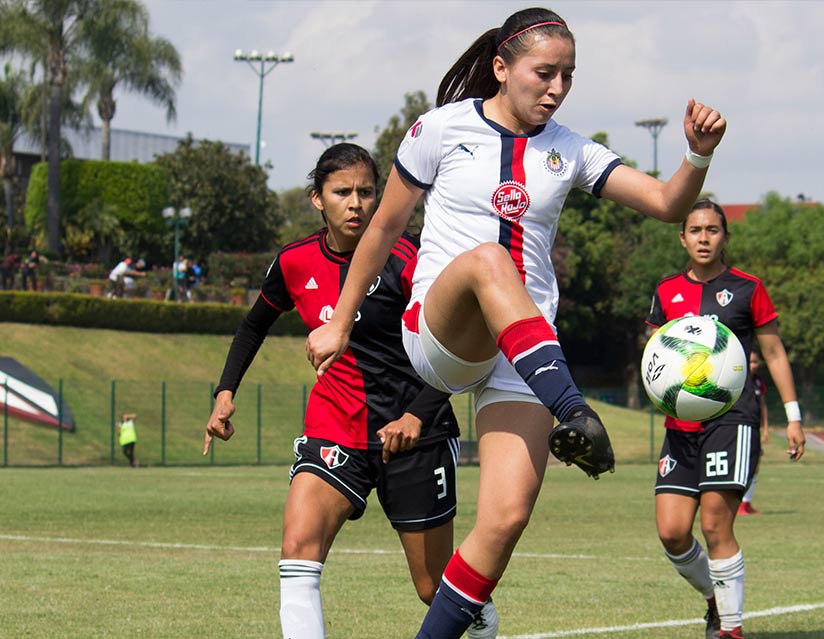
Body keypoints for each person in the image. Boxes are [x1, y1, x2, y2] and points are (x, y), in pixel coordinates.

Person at [305, 8, 727, 638]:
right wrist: (340, 321)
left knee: (503, 519)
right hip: (440, 331)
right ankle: (576, 410)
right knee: (487, 260)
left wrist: (697, 154)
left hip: (525, 352)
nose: (557, 89)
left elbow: (669, 204)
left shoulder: (570, 149)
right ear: (502, 69)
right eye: (545, 73)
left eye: (569, 76)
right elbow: (386, 228)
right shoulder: (439, 129)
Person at [203, 144, 499, 639]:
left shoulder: (410, 259)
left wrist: (417, 415)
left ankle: (481, 619)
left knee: (432, 587)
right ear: (318, 199)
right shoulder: (294, 262)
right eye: (342, 192)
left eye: (366, 192)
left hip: (414, 433)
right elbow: (253, 326)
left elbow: (461, 348)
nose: (356, 203)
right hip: (334, 428)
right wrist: (226, 391)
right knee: (298, 552)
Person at [646, 199, 805, 639]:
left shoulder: (748, 289)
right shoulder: (665, 292)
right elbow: (654, 355)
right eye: (695, 230)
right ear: (682, 238)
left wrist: (793, 417)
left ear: (725, 237)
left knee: (716, 523)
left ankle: (730, 630)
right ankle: (717, 599)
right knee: (672, 533)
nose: (703, 238)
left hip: (732, 420)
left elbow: (773, 352)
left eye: (712, 230)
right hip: (680, 428)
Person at [737, 351, 770, 516]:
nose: (754, 365)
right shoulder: (737, 379)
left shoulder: (758, 381)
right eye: (750, 362)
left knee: (755, 466)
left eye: (756, 362)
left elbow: (763, 405)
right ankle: (738, 504)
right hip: (740, 428)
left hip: (755, 429)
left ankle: (747, 503)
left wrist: (765, 428)